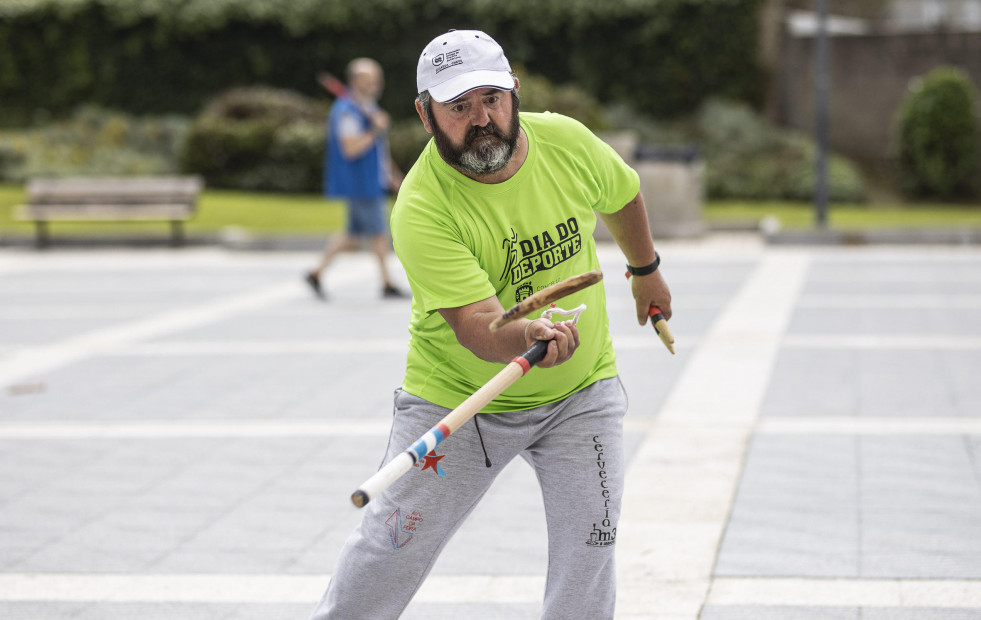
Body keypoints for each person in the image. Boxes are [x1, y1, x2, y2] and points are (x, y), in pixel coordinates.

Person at [309, 30, 672, 620]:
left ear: (514, 93)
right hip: (460, 399)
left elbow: (622, 192)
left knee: (591, 551)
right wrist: (525, 336)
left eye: (492, 99)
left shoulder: (564, 141)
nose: (482, 119)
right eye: (459, 106)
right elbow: (478, 325)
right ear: (425, 115)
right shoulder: (423, 206)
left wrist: (646, 270)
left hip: (580, 393)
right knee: (390, 549)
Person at [305, 57, 407, 300]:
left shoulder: (367, 108)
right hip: (360, 183)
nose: (375, 84)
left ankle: (316, 273)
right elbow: (350, 149)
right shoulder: (347, 112)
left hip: (370, 180)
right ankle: (387, 283)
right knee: (379, 232)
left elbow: (377, 151)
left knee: (352, 235)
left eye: (377, 79)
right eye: (368, 79)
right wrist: (375, 129)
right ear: (354, 81)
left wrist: (393, 176)